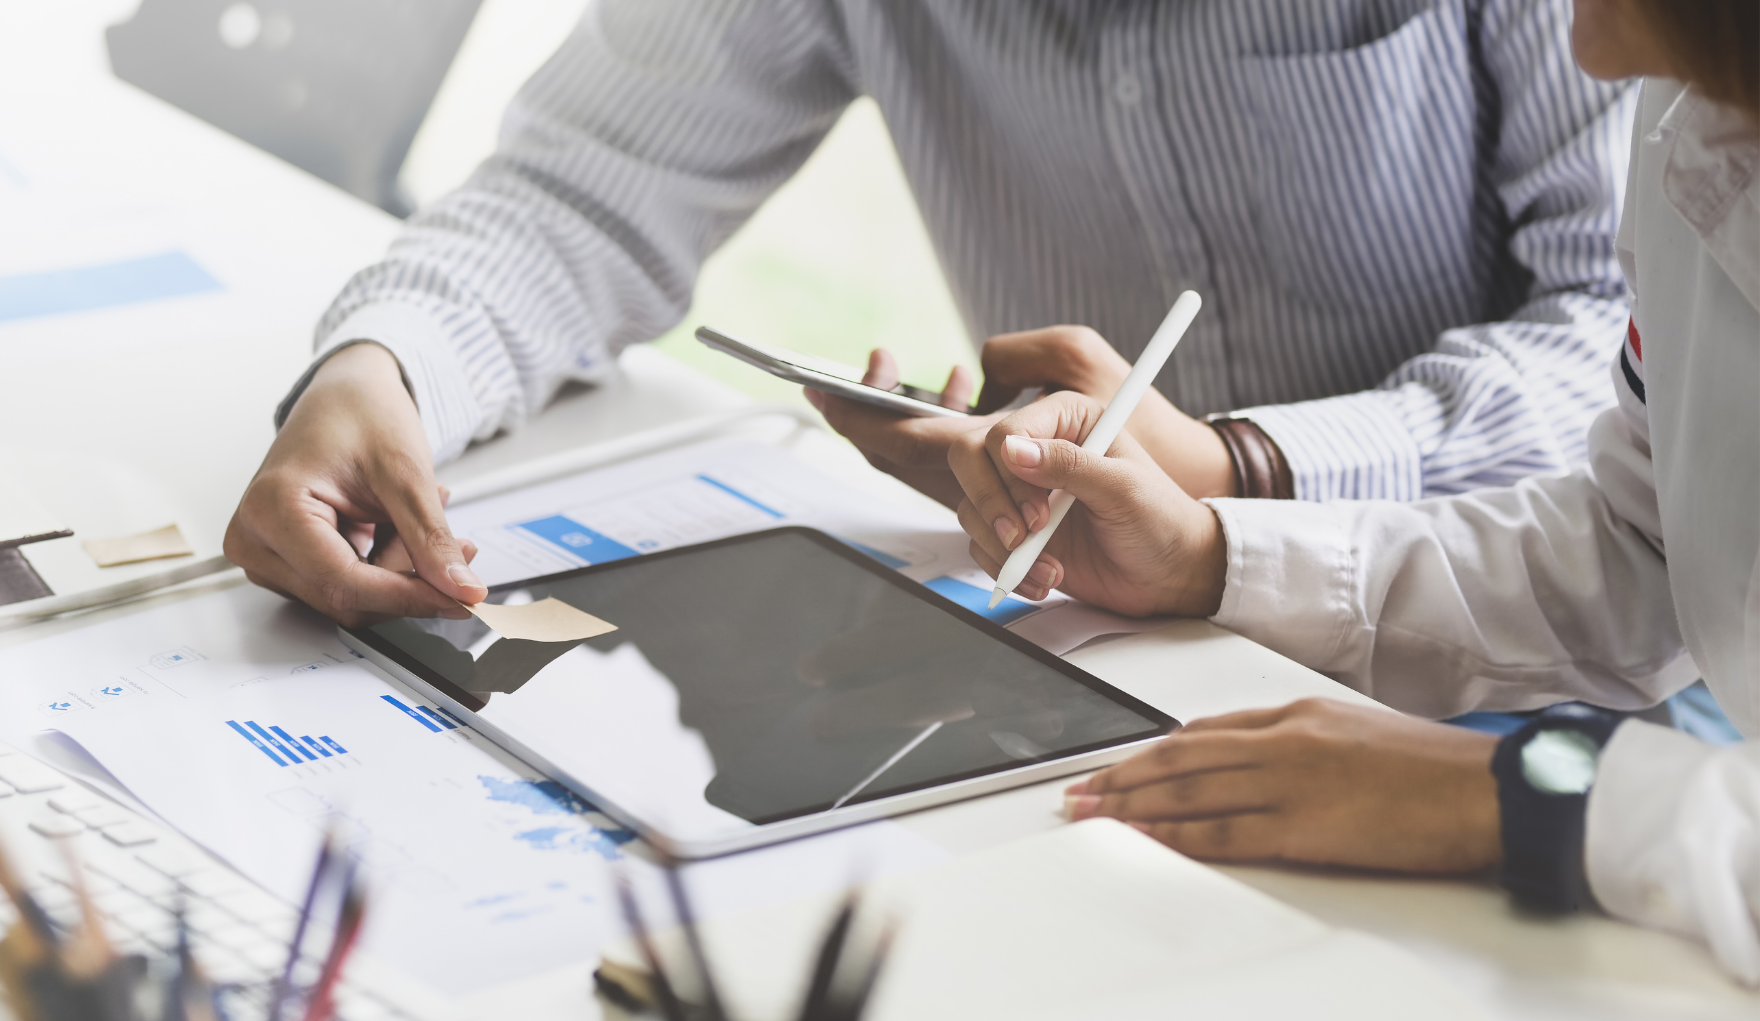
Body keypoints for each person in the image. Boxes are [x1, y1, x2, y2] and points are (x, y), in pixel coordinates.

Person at [226, 0, 1636, 625]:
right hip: (1115, 636)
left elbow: (1641, 342)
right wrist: (382, 371)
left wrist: (1245, 471)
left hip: (1534, 646)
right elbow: (584, 188)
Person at [943, 0, 1759, 983]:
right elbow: (1643, 544)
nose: (1583, 52)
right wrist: (1210, 556)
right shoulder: (1690, 110)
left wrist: (1511, 794)